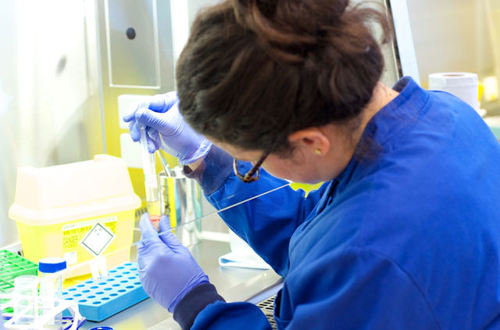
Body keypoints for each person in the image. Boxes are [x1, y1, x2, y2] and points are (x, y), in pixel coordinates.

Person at [123, 0, 500, 329]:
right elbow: (324, 233)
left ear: (311, 142)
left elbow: (354, 251)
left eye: (249, 164)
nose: (245, 166)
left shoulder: (369, 258)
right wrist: (209, 160)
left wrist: (195, 305)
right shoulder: (446, 115)